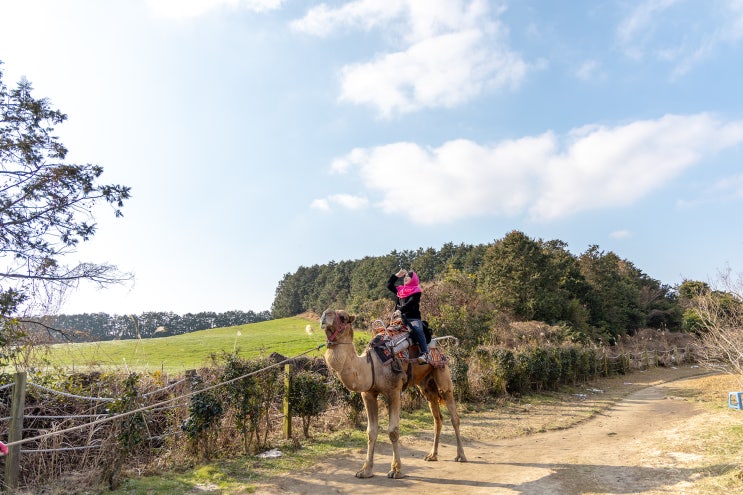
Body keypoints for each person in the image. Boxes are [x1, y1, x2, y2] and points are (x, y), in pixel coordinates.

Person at [387, 269, 430, 363]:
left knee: (418, 330)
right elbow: (389, 285)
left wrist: (400, 310)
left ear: (413, 280)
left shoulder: (416, 291)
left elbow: (411, 303)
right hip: (399, 319)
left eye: (408, 277)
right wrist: (397, 275)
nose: (405, 278)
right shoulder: (400, 290)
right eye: (405, 277)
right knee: (385, 331)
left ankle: (425, 354)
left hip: (412, 318)